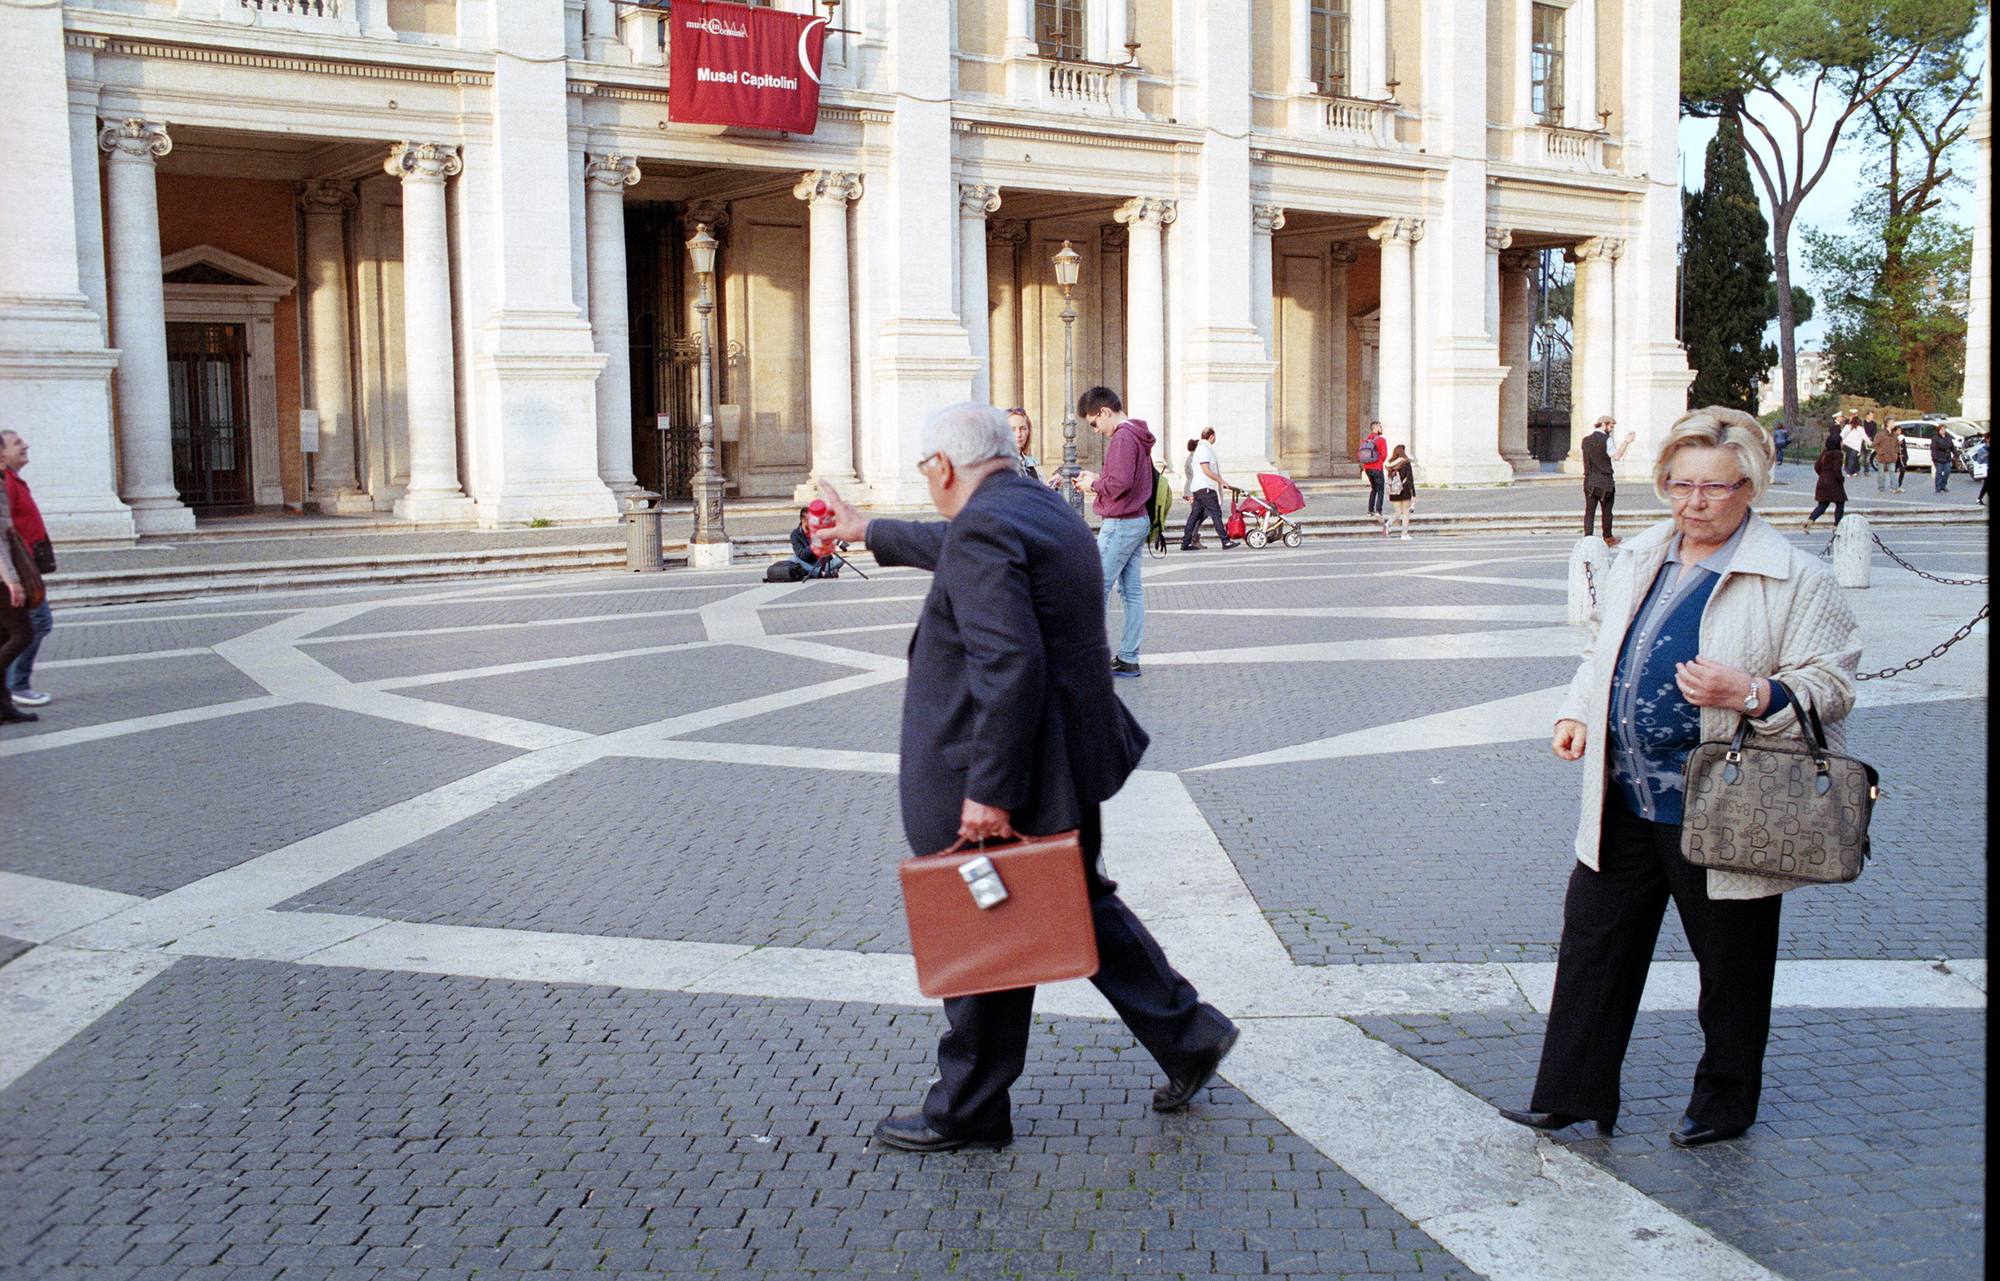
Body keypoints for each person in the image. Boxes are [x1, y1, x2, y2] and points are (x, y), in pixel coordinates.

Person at [811, 403, 1239, 1152]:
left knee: (987, 922)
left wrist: (990, 790)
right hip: (1065, 758)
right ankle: (1187, 1034)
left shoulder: (987, 525)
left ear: (943, 466)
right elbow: (956, 542)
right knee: (1075, 903)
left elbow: (1008, 663)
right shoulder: (1039, 507)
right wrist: (867, 529)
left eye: (927, 472)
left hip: (1009, 770)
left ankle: (970, 1106)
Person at [1498, 406, 1858, 1149]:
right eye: (1679, 484)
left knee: (1731, 962)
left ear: (1749, 488)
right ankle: (1571, 1095)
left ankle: (1725, 1102)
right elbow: (1603, 652)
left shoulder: (1796, 577)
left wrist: (1750, 692)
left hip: (1726, 800)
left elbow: (1832, 682)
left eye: (1714, 487)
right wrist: (1577, 711)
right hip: (1625, 793)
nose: (1694, 502)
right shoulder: (1642, 554)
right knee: (1593, 945)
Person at [1071, 387, 1153, 678]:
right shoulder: (1137, 433)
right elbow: (1125, 478)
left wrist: (1092, 485)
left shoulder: (1122, 437)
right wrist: (1098, 477)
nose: (1096, 430)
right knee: (1131, 592)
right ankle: (1128, 657)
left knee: (1096, 588)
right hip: (1137, 518)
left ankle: (1089, 658)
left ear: (1105, 412)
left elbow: (1120, 484)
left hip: (1121, 522)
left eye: (1094, 423)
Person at [2, 430, 52, 709]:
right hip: (16, 571)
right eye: (17, 443)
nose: (26, 445)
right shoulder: (6, 482)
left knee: (16, 630)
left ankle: (10, 689)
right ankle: (16, 684)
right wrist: (12, 576)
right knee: (36, 623)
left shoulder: (13, 479)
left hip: (23, 567)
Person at [0, 455, 36, 727]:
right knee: (23, 634)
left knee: (4, 637)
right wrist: (12, 581)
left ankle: (4, 707)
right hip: (2, 579)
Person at [1581, 416, 1637, 545]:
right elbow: (1616, 456)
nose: (1611, 429)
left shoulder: (1586, 440)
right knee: (1606, 510)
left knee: (1589, 511)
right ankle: (1608, 537)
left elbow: (1585, 459)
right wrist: (1626, 442)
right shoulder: (1607, 439)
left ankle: (1587, 538)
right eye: (1611, 426)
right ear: (1604, 424)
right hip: (1605, 480)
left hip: (1589, 479)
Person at [1180, 427, 1235, 551]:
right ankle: (1225, 541)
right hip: (1205, 488)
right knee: (1216, 514)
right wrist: (1221, 481)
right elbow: (1206, 470)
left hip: (1199, 487)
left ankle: (1186, 542)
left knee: (1194, 516)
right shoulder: (1204, 450)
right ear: (1211, 436)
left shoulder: (1201, 449)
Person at [1804, 432, 1847, 532]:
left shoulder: (1825, 453)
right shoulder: (1837, 454)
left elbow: (1817, 466)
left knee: (1822, 505)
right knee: (1840, 504)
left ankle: (1810, 521)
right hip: (1834, 482)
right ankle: (1837, 526)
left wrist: (1823, 475)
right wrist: (1841, 479)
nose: (1842, 444)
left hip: (1822, 481)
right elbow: (1837, 469)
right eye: (1841, 442)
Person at [786, 506, 841, 578]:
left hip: (822, 563)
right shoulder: (795, 535)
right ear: (803, 521)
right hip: (808, 563)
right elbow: (801, 555)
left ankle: (817, 572)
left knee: (840, 560)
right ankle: (821, 573)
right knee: (792, 559)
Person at [1383, 444, 1416, 540]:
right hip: (1404, 490)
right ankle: (1404, 534)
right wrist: (1414, 494)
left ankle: (1388, 523)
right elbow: (1410, 479)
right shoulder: (1406, 463)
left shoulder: (1390, 464)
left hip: (1394, 491)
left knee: (1398, 511)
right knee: (1406, 512)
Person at [1359, 422, 1388, 521]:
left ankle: (1370, 510)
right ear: (1375, 428)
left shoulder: (1364, 440)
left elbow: (1360, 453)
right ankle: (1378, 511)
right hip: (1377, 467)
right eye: (1380, 427)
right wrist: (1379, 462)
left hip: (1367, 468)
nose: (1382, 428)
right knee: (1380, 490)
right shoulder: (1381, 440)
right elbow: (1384, 454)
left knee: (1373, 488)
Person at [1873, 422, 1902, 492]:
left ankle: (1894, 487)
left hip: (1891, 456)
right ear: (1888, 424)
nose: (1893, 424)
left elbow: (1897, 445)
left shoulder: (1894, 434)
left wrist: (1895, 453)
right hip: (1882, 456)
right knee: (1881, 473)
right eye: (1892, 423)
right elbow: (1876, 444)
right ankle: (1881, 488)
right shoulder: (1881, 434)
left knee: (1892, 472)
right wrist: (1880, 452)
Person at [1930, 430, 1957, 494]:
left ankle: (1943, 485)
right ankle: (1938, 486)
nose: (1943, 431)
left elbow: (1952, 447)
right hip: (1938, 457)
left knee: (1947, 471)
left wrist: (1955, 454)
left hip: (1946, 457)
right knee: (1939, 472)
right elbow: (1933, 448)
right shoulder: (1935, 438)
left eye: (1944, 429)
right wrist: (1935, 457)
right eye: (1941, 429)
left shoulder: (1948, 437)